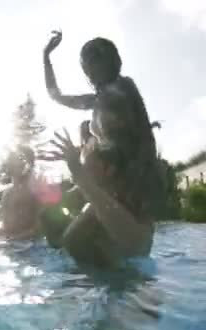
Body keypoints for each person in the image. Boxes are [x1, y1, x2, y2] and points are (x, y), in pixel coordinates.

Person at [42, 32, 165, 266]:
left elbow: (141, 141)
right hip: (103, 176)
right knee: (50, 217)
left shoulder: (123, 88)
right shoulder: (97, 99)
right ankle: (72, 268)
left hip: (124, 180)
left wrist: (138, 188)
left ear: (111, 61)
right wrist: (46, 56)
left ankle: (107, 270)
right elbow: (55, 96)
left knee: (78, 240)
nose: (88, 70)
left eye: (92, 61)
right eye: (85, 64)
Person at [0, 146, 44, 240]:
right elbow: (6, 225)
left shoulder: (35, 191)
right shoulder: (7, 193)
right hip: (14, 241)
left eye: (20, 159)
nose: (14, 163)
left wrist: (16, 238)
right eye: (11, 161)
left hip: (30, 243)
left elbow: (40, 228)